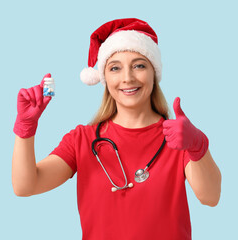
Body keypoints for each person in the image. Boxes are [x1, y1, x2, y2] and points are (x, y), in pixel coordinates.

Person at [12, 18, 221, 240]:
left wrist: (198, 146)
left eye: (139, 65)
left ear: (154, 73)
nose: (127, 78)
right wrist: (26, 127)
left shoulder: (178, 137)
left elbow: (210, 197)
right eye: (115, 68)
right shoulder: (82, 139)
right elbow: (26, 186)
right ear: (104, 78)